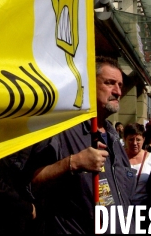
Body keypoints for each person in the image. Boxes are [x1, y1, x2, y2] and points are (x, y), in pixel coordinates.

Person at [27, 56, 136, 234]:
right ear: (89, 85)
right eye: (110, 83)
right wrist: (73, 162)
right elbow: (32, 182)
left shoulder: (114, 137)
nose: (118, 91)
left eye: (120, 85)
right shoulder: (62, 129)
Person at [123, 123, 151, 205]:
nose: (134, 143)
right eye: (131, 139)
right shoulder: (118, 157)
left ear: (144, 139)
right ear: (124, 139)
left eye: (138, 140)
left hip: (143, 209)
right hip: (123, 207)